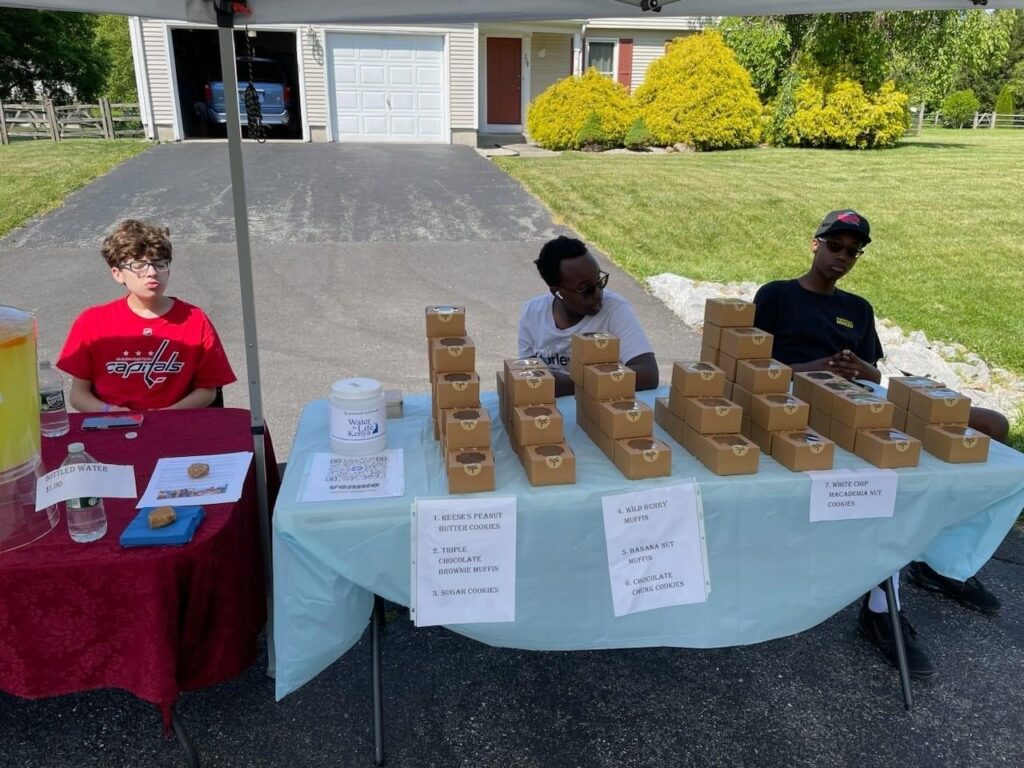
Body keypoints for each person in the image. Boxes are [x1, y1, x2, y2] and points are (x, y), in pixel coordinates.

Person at [753, 210, 1009, 680]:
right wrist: (818, 368)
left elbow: (872, 373)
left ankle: (939, 560)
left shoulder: (859, 308)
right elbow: (751, 370)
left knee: (991, 426)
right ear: (815, 244)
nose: (843, 258)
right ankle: (880, 607)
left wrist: (860, 371)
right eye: (836, 247)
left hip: (858, 400)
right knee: (890, 475)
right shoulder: (776, 296)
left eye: (853, 251)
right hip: (797, 405)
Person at [57, 219, 236, 412]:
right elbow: (78, 395)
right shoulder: (92, 321)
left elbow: (208, 391)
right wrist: (111, 411)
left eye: (160, 264)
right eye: (139, 265)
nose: (151, 272)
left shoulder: (194, 319)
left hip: (176, 426)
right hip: (113, 426)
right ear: (118, 273)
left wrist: (166, 415)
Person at [518, 235, 658, 397]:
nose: (598, 294)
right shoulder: (532, 312)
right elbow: (526, 372)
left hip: (601, 407)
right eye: (586, 290)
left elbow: (648, 374)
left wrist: (572, 384)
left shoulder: (614, 309)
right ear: (558, 292)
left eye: (599, 281)